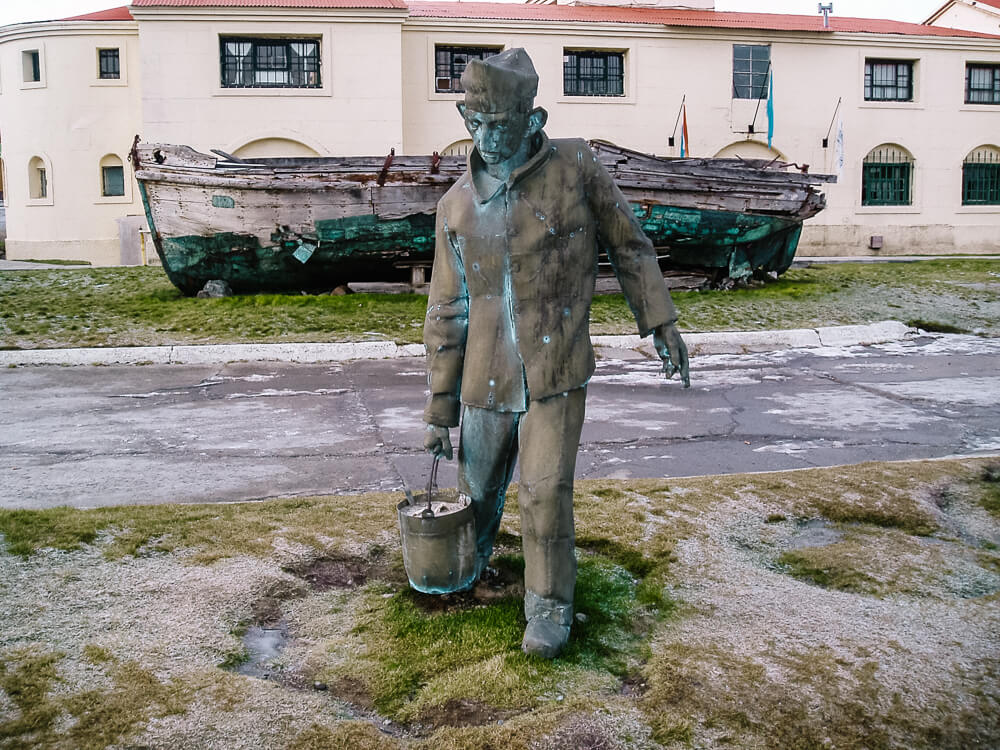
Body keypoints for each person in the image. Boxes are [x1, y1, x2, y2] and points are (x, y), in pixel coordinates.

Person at [422, 48, 689, 658]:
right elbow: (446, 311)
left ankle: (548, 607)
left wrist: (659, 322)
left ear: (533, 118)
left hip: (556, 368)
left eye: (502, 124)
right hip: (485, 378)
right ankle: (469, 568)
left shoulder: (577, 167)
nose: (488, 137)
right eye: (476, 123)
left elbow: (630, 245)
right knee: (478, 489)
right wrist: (440, 410)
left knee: (544, 493)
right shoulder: (456, 207)